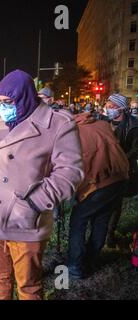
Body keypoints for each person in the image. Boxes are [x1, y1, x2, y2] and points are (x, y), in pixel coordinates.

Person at [0, 70, 84, 300]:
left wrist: (33, 203)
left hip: (24, 221)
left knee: (28, 287)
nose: (3, 106)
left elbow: (71, 173)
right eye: (0, 101)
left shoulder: (58, 124)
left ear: (26, 97)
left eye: (9, 102)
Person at [67, 111, 129, 279]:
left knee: (78, 222)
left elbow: (78, 165)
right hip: (119, 179)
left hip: (99, 182)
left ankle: (74, 267)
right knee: (102, 219)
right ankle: (90, 259)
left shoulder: (73, 133)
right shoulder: (102, 124)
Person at [105, 93, 138, 247]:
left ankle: (110, 234)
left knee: (116, 203)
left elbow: (136, 149)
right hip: (104, 169)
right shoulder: (103, 122)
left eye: (112, 106)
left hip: (122, 170)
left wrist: (121, 158)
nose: (109, 108)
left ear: (122, 108)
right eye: (108, 105)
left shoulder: (134, 125)